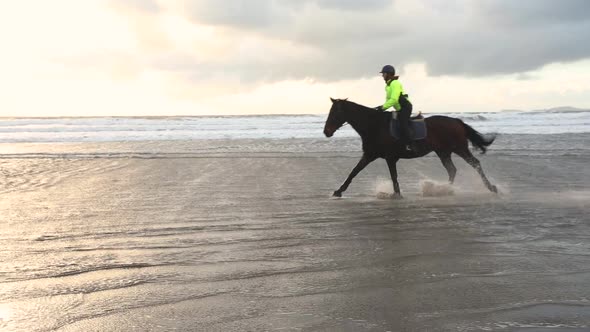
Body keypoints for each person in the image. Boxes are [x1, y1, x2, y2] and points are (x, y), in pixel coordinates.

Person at [375, 65, 414, 152]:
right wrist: (381, 108)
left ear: (389, 74)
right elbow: (388, 100)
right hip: (399, 108)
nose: (382, 76)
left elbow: (394, 99)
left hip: (405, 107)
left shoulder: (395, 83)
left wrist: (383, 107)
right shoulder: (388, 86)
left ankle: (410, 144)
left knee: (403, 123)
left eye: (383, 74)